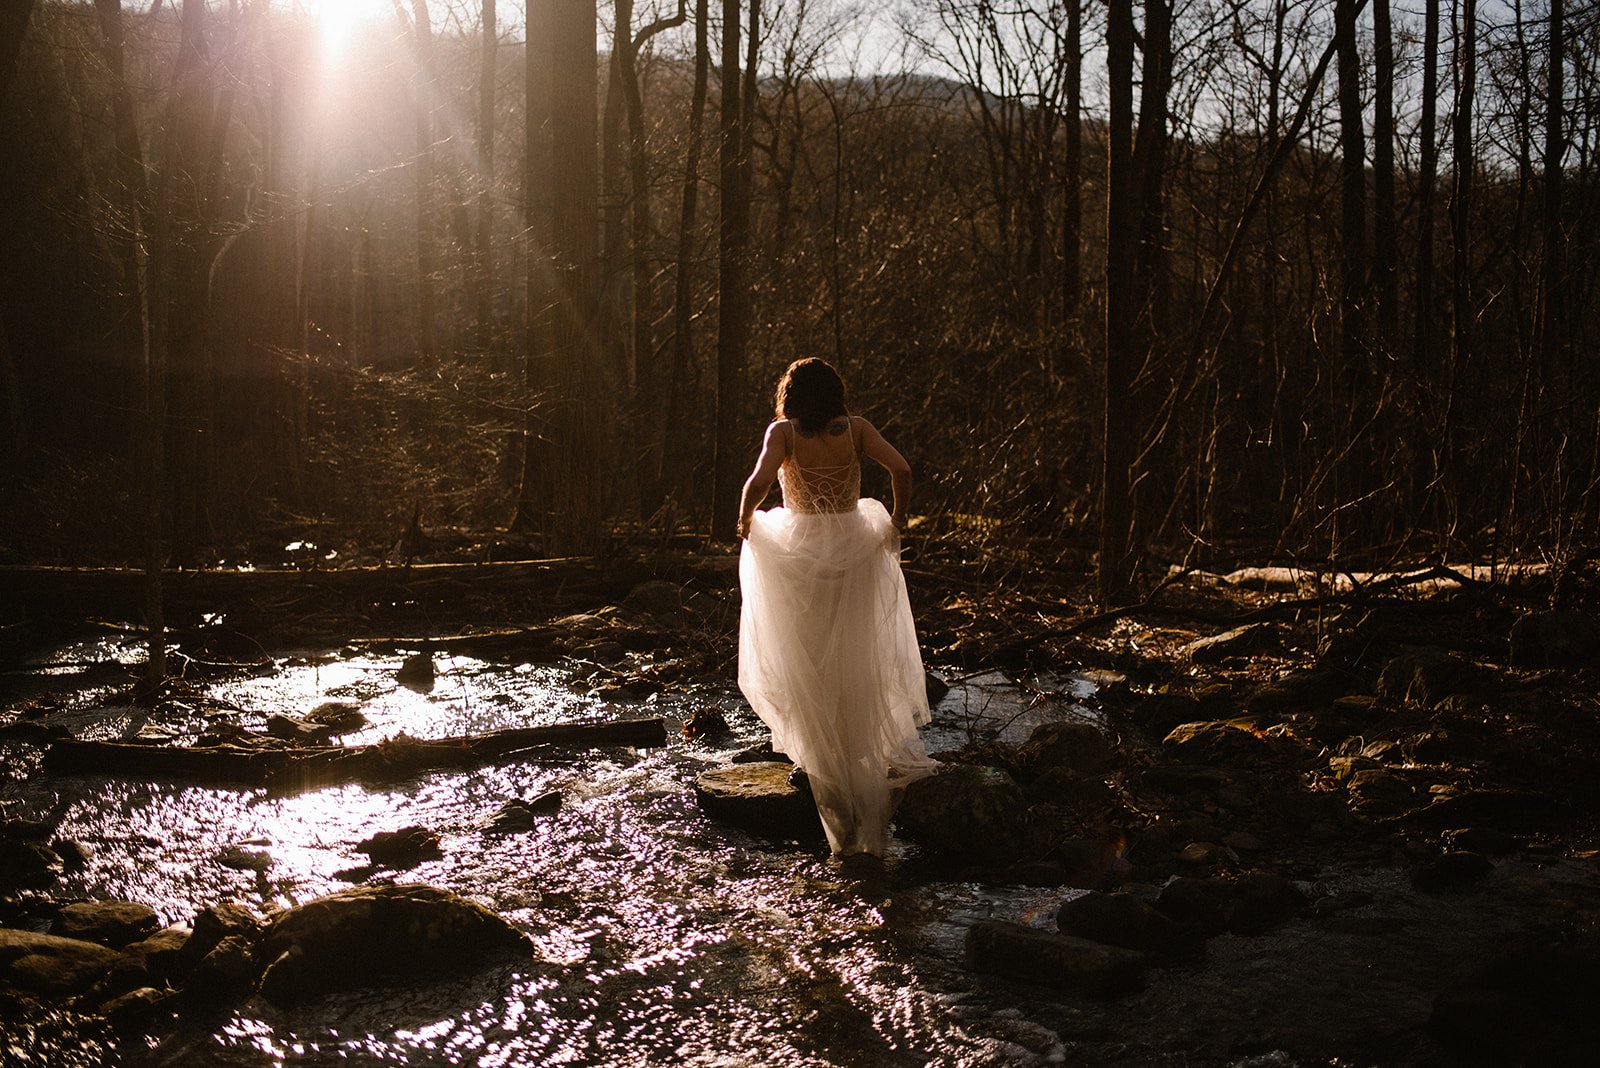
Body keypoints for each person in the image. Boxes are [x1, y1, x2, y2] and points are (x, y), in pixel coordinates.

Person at [735, 357, 936, 856]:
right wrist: (900, 519)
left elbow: (759, 482)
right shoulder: (859, 429)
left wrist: (744, 519)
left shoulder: (783, 433)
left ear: (791, 396)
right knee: (854, 656)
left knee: (806, 659)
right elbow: (903, 470)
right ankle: (860, 778)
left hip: (799, 552)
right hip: (853, 547)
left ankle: (829, 783)